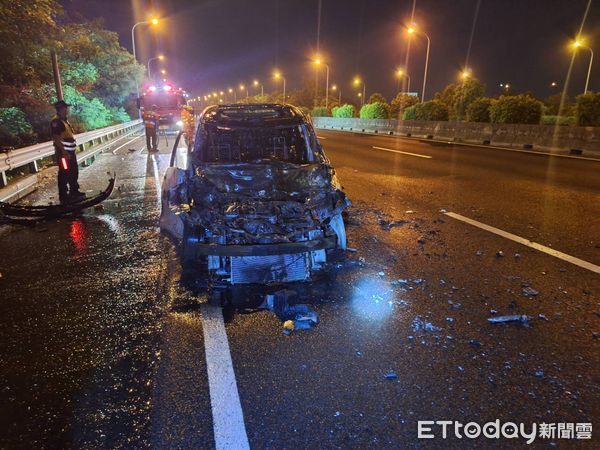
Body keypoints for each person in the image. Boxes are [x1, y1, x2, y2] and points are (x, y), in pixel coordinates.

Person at [51, 100, 85, 203]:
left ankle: (74, 191)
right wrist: (64, 152)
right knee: (64, 173)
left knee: (74, 171)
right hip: (63, 154)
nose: (67, 110)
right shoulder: (56, 122)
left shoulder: (64, 120)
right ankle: (64, 196)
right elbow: (56, 138)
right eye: (65, 108)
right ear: (60, 109)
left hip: (70, 153)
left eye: (67, 108)